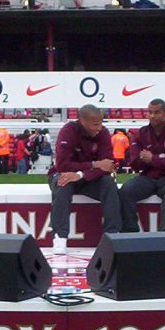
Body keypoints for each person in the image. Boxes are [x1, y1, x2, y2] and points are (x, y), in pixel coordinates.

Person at [48, 105, 121, 254]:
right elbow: (63, 165)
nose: (99, 128)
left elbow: (107, 166)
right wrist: (94, 164)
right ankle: (59, 237)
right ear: (82, 121)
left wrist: (81, 174)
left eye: (101, 123)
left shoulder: (104, 133)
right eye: (95, 124)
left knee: (109, 183)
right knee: (64, 183)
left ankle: (112, 235)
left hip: (88, 179)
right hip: (64, 175)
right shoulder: (68, 131)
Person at [119, 99, 165, 233]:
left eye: (156, 112)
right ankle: (130, 233)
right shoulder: (140, 135)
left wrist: (152, 159)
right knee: (125, 191)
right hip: (146, 178)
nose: (152, 116)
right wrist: (164, 157)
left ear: (164, 113)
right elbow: (135, 164)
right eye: (149, 112)